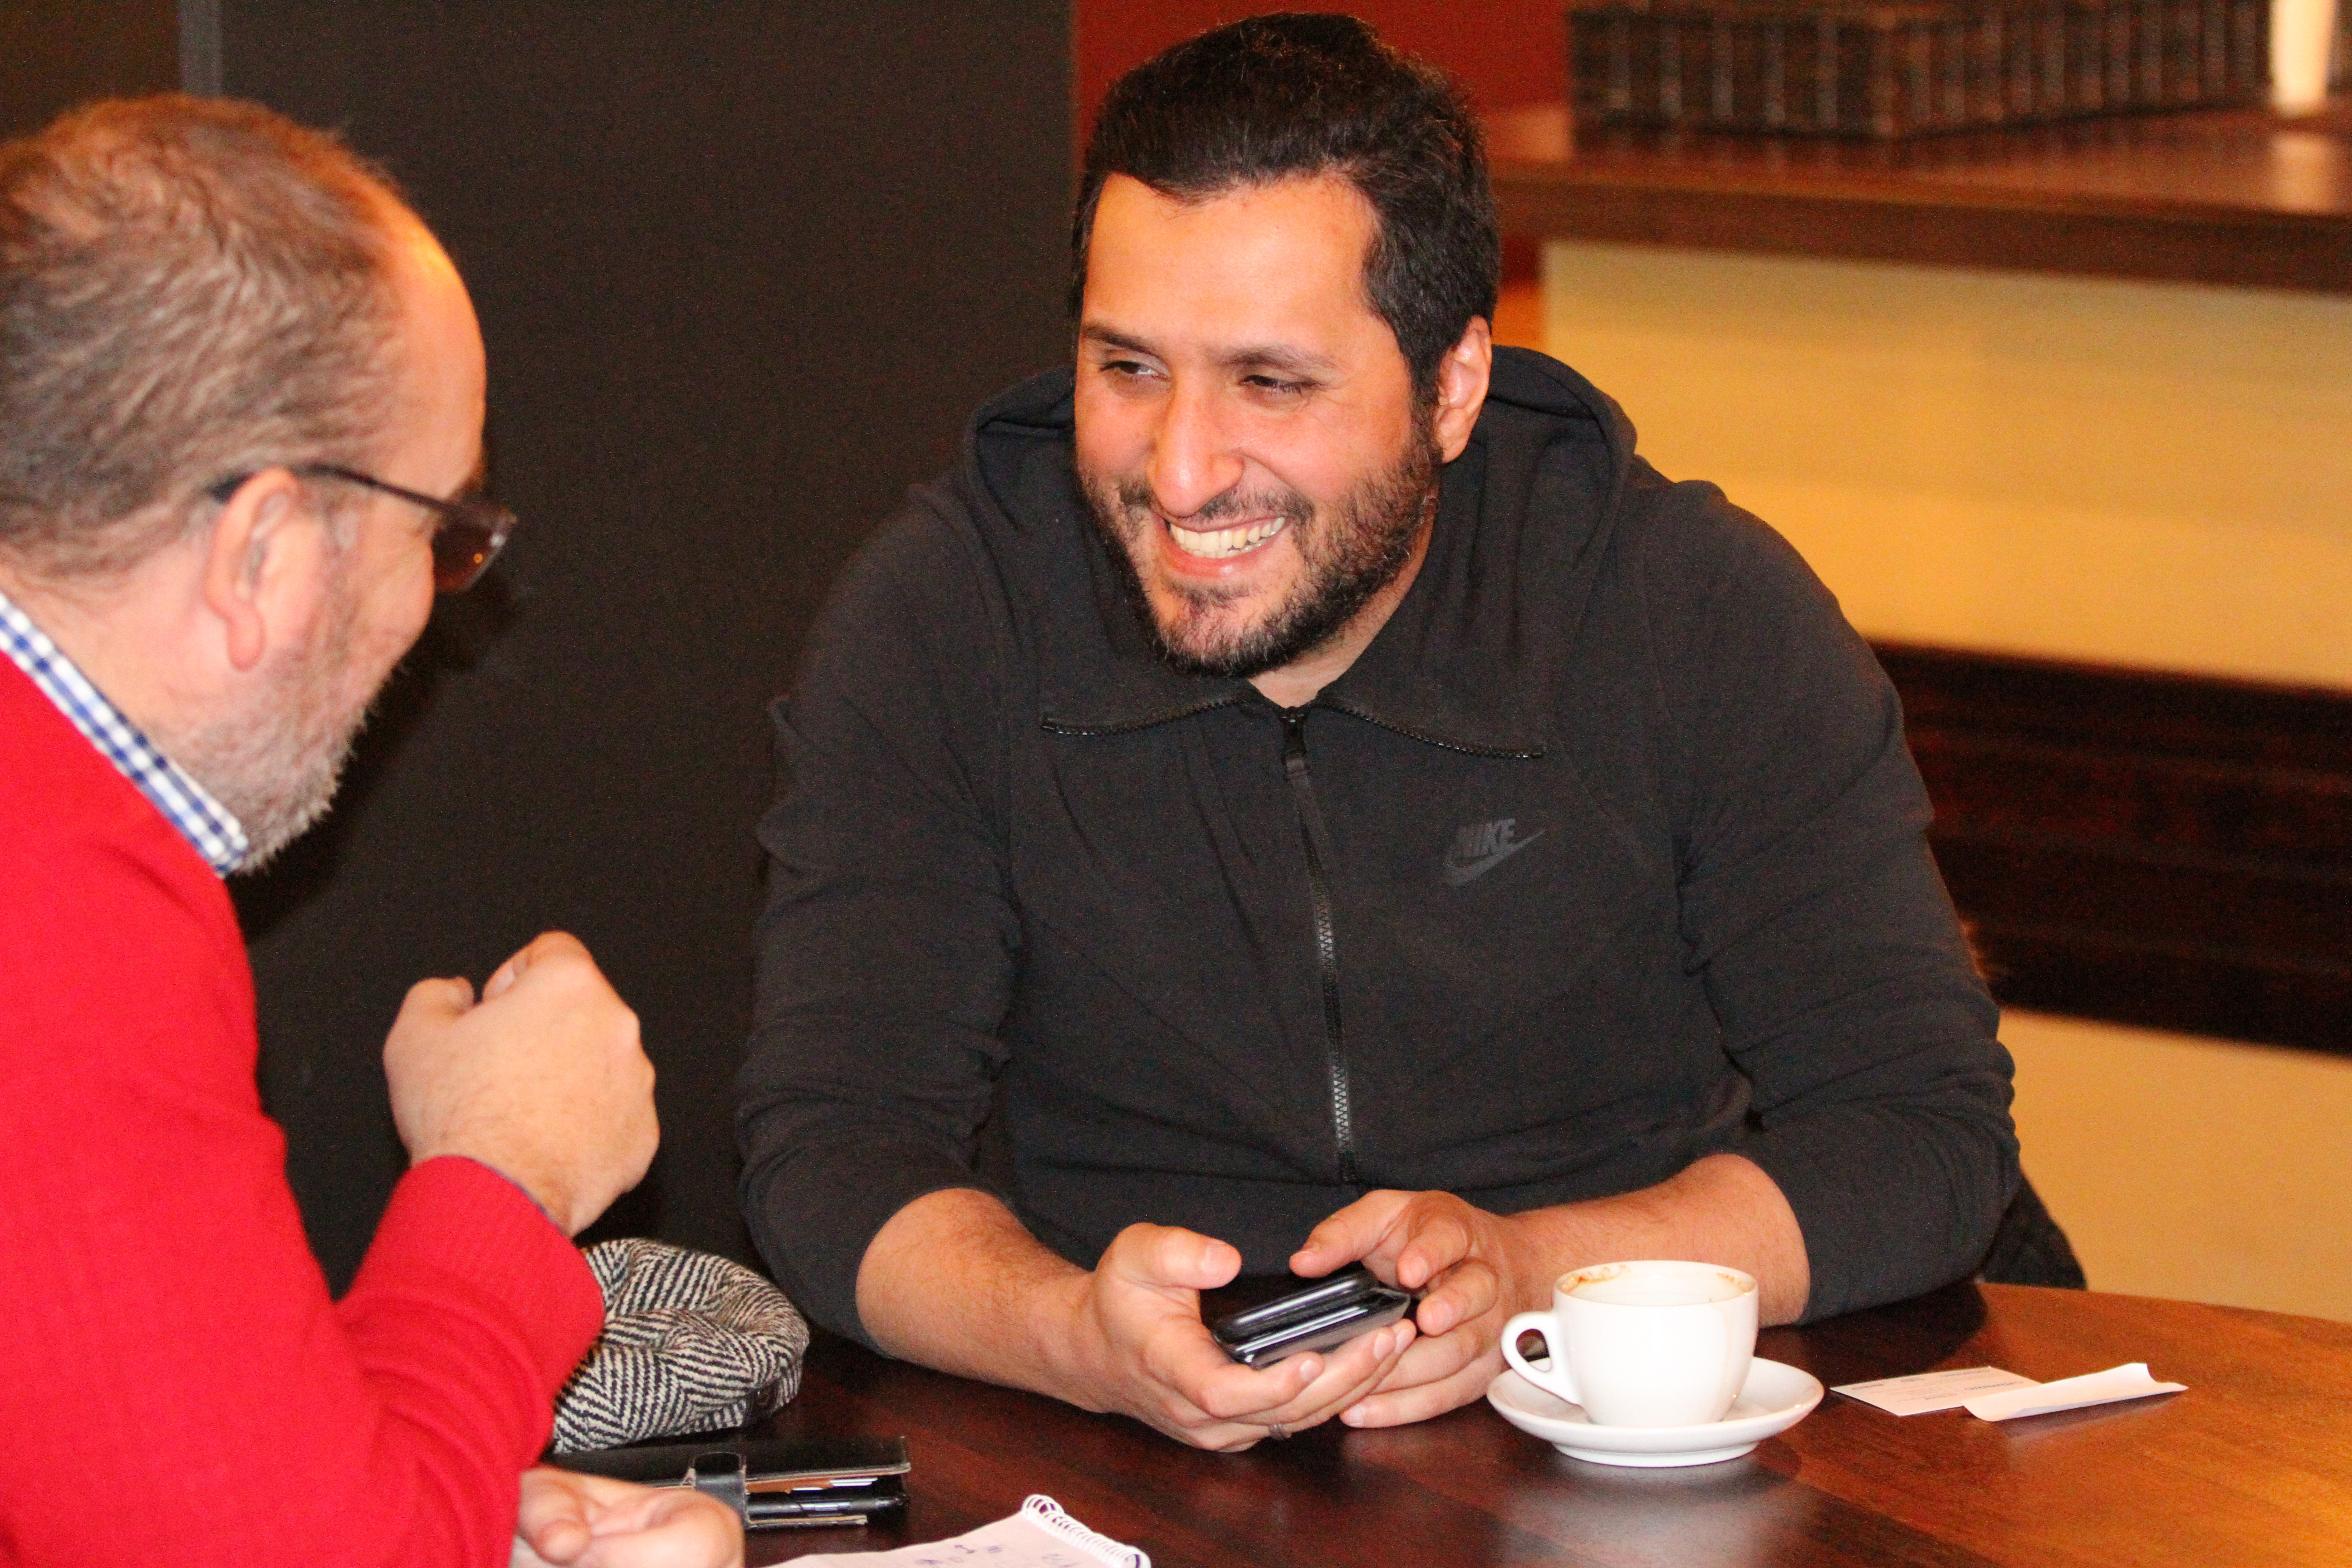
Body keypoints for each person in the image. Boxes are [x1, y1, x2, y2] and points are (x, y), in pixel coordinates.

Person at [739, 15, 2019, 1450]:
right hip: (1110, 1449)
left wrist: (1532, 1274)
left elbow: (1919, 1137)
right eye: (1129, 369)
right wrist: (1075, 1339)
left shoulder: (1687, 608)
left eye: (1271, 383)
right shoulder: (947, 612)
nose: (1182, 470)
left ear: (1453, 387)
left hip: (1609, 1426)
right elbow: (833, 1155)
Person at [0, 98, 739, 1567]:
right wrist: (509, 1168)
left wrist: (417, 1477)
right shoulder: (62, 905)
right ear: (261, 552)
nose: (437, 601)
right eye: (441, 534)